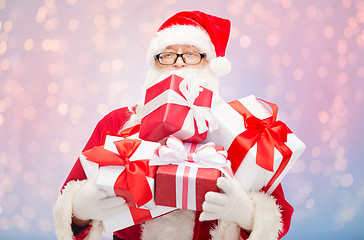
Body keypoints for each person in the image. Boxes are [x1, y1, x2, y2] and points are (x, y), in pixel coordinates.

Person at [53, 11, 294, 240]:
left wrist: (247, 214)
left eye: (191, 53)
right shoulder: (118, 122)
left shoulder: (240, 130)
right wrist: (80, 209)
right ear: (154, 64)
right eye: (168, 55)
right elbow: (68, 203)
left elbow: (278, 218)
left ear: (209, 64)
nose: (179, 64)